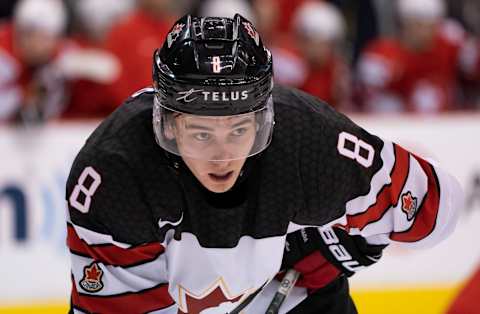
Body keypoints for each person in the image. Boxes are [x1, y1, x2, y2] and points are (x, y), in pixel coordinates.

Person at [66, 14, 463, 314]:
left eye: (239, 130)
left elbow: (437, 205)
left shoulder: (310, 143)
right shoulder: (113, 174)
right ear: (167, 123)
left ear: (263, 119)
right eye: (202, 133)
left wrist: (338, 249)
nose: (222, 155)